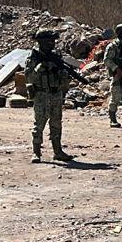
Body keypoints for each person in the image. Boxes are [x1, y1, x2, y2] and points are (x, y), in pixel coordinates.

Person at [25, 29, 85, 163]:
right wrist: (41, 67)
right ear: (41, 42)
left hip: (55, 93)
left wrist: (63, 75)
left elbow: (64, 76)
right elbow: (29, 77)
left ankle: (58, 151)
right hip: (41, 94)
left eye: (53, 41)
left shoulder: (56, 56)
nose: (52, 43)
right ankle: (36, 152)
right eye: (49, 41)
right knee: (39, 124)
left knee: (56, 123)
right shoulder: (34, 57)